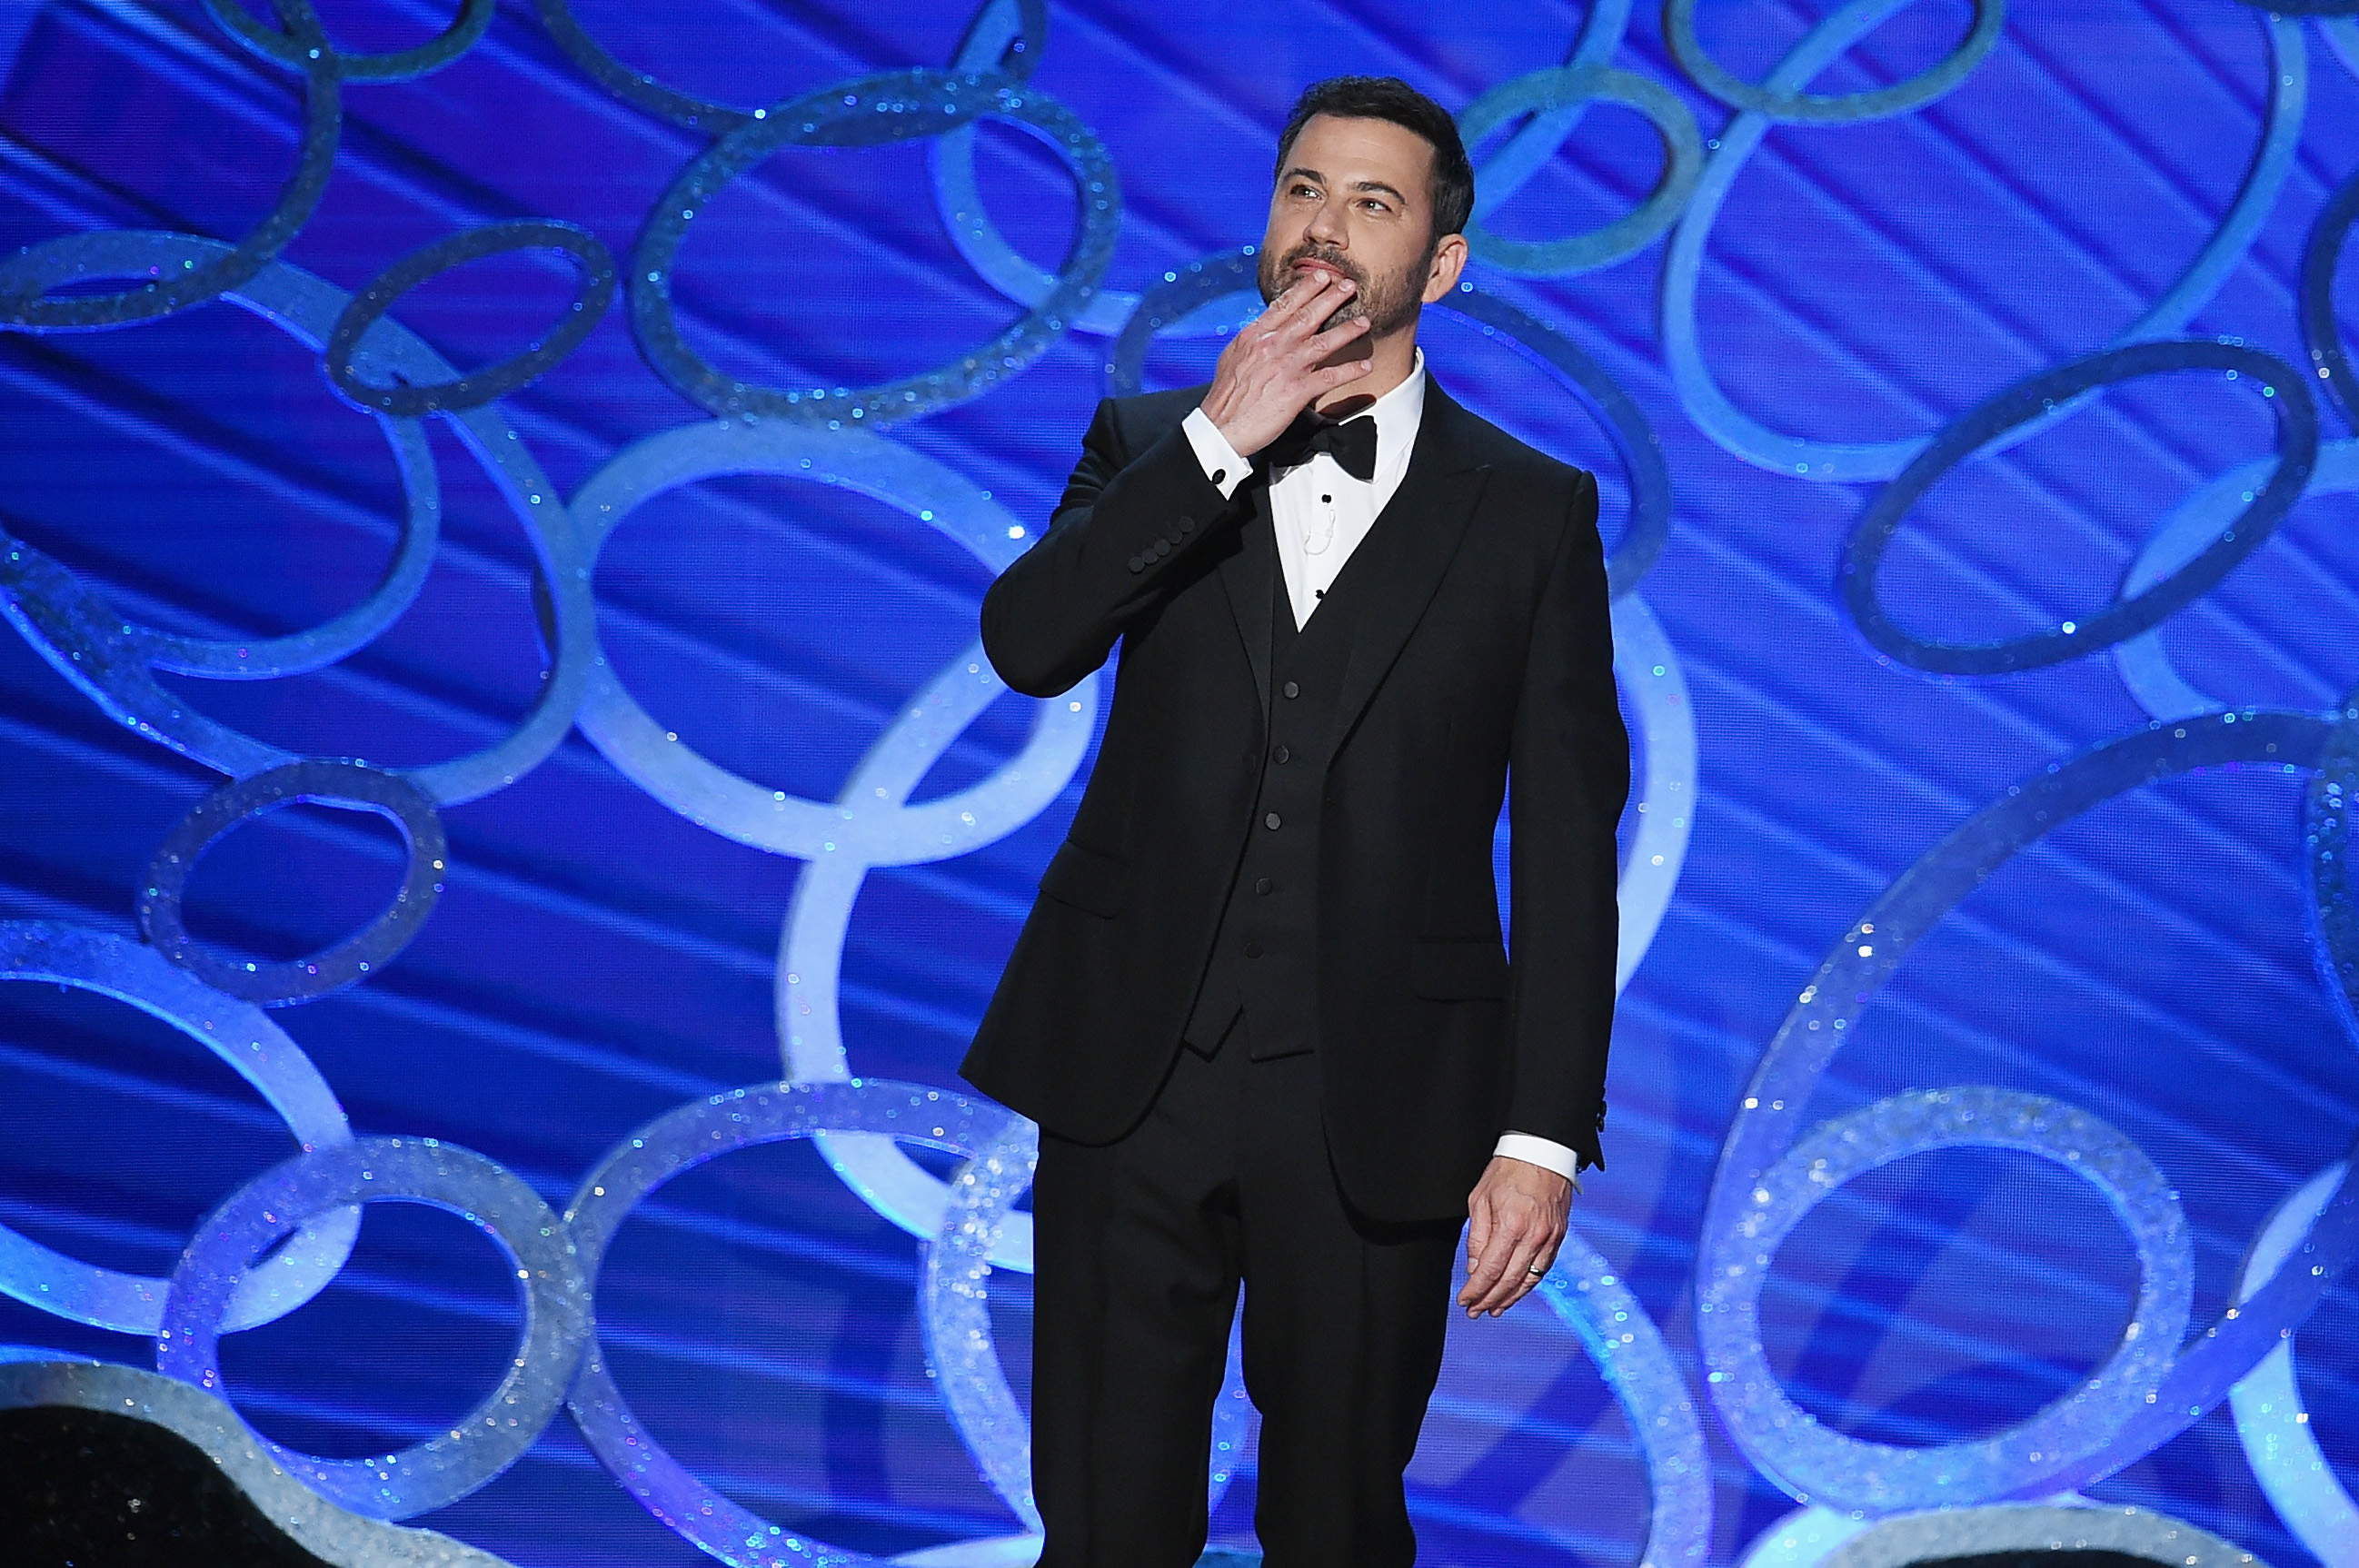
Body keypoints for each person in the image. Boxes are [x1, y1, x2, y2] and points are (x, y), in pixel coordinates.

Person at [961, 74, 1629, 1568]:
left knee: (1335, 1522)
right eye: (1302, 189)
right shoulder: (1148, 440)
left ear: (1440, 267)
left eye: (1373, 203)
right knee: (1105, 1523)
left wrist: (1541, 1131)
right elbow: (1026, 641)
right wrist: (1216, 439)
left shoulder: (1530, 515)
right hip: (1134, 1073)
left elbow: (1570, 838)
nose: (1325, 226)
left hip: (1382, 1096)